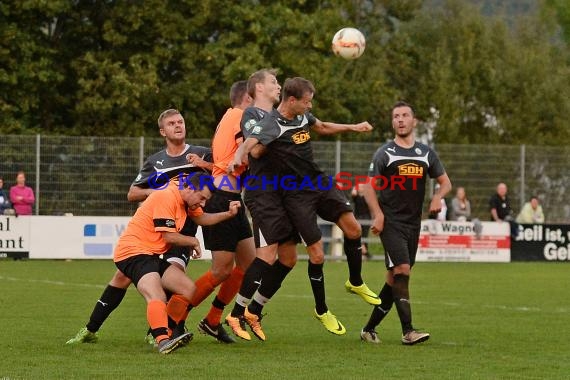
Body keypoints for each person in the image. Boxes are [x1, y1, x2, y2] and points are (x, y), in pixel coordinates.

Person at [226, 75, 380, 341]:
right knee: (280, 256)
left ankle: (254, 310)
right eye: (307, 102)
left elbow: (322, 126)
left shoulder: (302, 117)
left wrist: (354, 127)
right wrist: (238, 158)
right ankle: (238, 312)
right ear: (293, 100)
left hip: (315, 183)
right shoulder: (270, 122)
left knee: (295, 255)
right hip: (286, 196)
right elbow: (251, 144)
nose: (310, 106)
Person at [66, 109, 213, 346]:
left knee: (175, 281)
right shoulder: (156, 162)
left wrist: (205, 166)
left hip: (182, 231)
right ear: (162, 131)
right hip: (154, 230)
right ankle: (92, 328)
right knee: (123, 278)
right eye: (172, 123)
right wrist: (158, 193)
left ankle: (160, 331)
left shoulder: (201, 154)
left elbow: (225, 175)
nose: (178, 126)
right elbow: (132, 193)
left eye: (181, 122)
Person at [112, 173, 240, 354]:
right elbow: (168, 236)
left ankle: (168, 331)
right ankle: (162, 340)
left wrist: (228, 214)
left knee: (189, 289)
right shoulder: (167, 195)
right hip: (134, 252)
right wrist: (193, 241)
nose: (203, 203)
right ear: (189, 189)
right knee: (156, 295)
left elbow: (202, 219)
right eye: (202, 198)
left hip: (151, 255)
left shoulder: (187, 201)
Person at [359, 101, 452, 345]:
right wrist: (378, 214)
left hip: (413, 224)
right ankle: (408, 331)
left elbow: (446, 182)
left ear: (414, 121)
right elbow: (367, 187)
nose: (400, 119)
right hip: (391, 223)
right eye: (396, 116)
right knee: (402, 270)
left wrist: (437, 196)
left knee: (394, 279)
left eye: (405, 115)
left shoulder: (426, 153)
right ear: (393, 123)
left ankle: (369, 329)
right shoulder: (385, 153)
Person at [170, 80, 256, 344]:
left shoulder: (228, 118)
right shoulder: (241, 117)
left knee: (249, 264)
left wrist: (204, 163)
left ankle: (212, 319)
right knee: (221, 271)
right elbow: (245, 158)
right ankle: (172, 317)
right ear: (248, 98)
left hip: (231, 198)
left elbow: (225, 164)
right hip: (221, 199)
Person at [351, 184, 372, 259]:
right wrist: (354, 187)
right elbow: (353, 193)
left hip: (366, 219)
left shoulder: (368, 197)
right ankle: (364, 252)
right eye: (359, 187)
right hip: (358, 219)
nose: (361, 188)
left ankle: (364, 253)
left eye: (362, 187)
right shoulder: (356, 197)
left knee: (365, 236)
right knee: (358, 236)